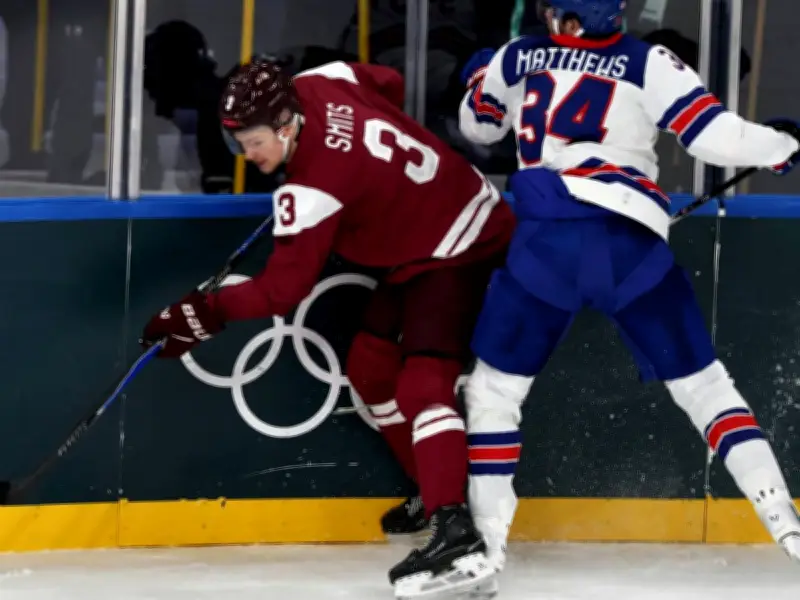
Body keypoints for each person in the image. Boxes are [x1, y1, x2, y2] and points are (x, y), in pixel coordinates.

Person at [139, 58, 516, 598]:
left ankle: (456, 531)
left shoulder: (313, 187)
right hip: (425, 233)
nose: (248, 156)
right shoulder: (320, 80)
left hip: (461, 242)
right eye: (238, 143)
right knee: (369, 370)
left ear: (288, 124)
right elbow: (389, 82)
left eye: (255, 142)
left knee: (422, 384)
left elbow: (280, 292)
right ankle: (433, 489)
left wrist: (202, 313)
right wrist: (365, 169)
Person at [457, 0, 800, 588]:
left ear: (562, 15)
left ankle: (485, 545)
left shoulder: (516, 57)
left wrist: (479, 80)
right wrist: (781, 147)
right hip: (629, 243)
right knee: (705, 387)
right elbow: (715, 137)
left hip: (547, 244)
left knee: (494, 391)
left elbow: (477, 126)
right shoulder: (651, 61)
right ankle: (784, 523)